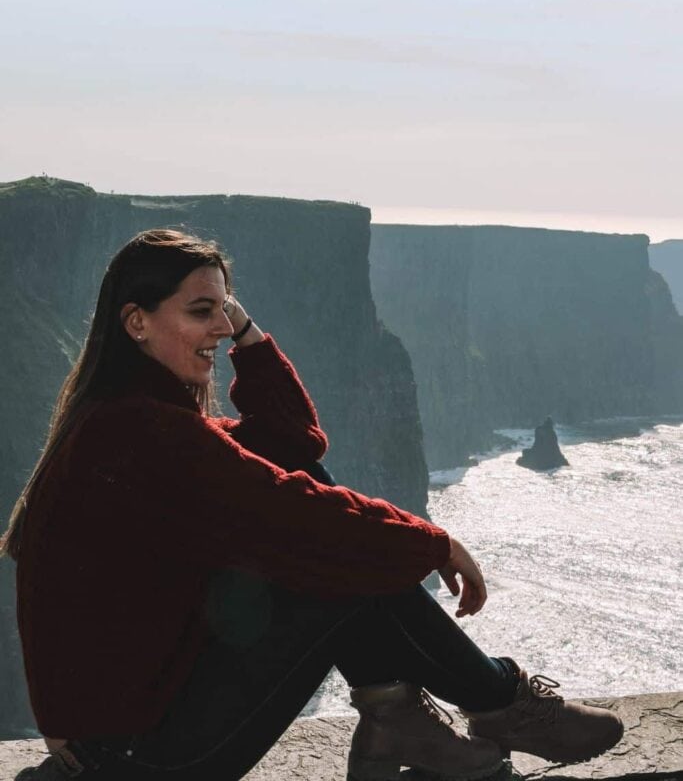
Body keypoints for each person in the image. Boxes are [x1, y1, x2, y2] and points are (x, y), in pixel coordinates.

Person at [2, 230, 623, 781]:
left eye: (226, 309)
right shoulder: (139, 434)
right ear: (136, 322)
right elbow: (294, 509)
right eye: (201, 311)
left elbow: (294, 446)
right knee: (334, 556)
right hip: (138, 759)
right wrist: (431, 541)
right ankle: (497, 705)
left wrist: (246, 332)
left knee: (332, 531)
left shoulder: (131, 420)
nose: (221, 327)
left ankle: (410, 714)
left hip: (132, 734)